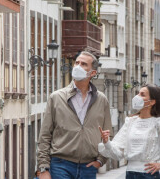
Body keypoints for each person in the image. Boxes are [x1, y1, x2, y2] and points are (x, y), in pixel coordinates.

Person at [37, 51, 112, 179]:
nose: (78, 66)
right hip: (60, 164)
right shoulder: (56, 97)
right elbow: (45, 135)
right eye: (77, 63)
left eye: (83, 64)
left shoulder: (102, 100)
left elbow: (108, 134)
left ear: (92, 73)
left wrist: (100, 160)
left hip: (88, 167)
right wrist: (43, 168)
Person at [99, 84, 160, 179]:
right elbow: (119, 152)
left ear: (152, 102)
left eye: (142, 95)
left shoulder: (157, 122)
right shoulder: (130, 121)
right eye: (138, 93)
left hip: (150, 174)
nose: (137, 97)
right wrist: (106, 142)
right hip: (130, 173)